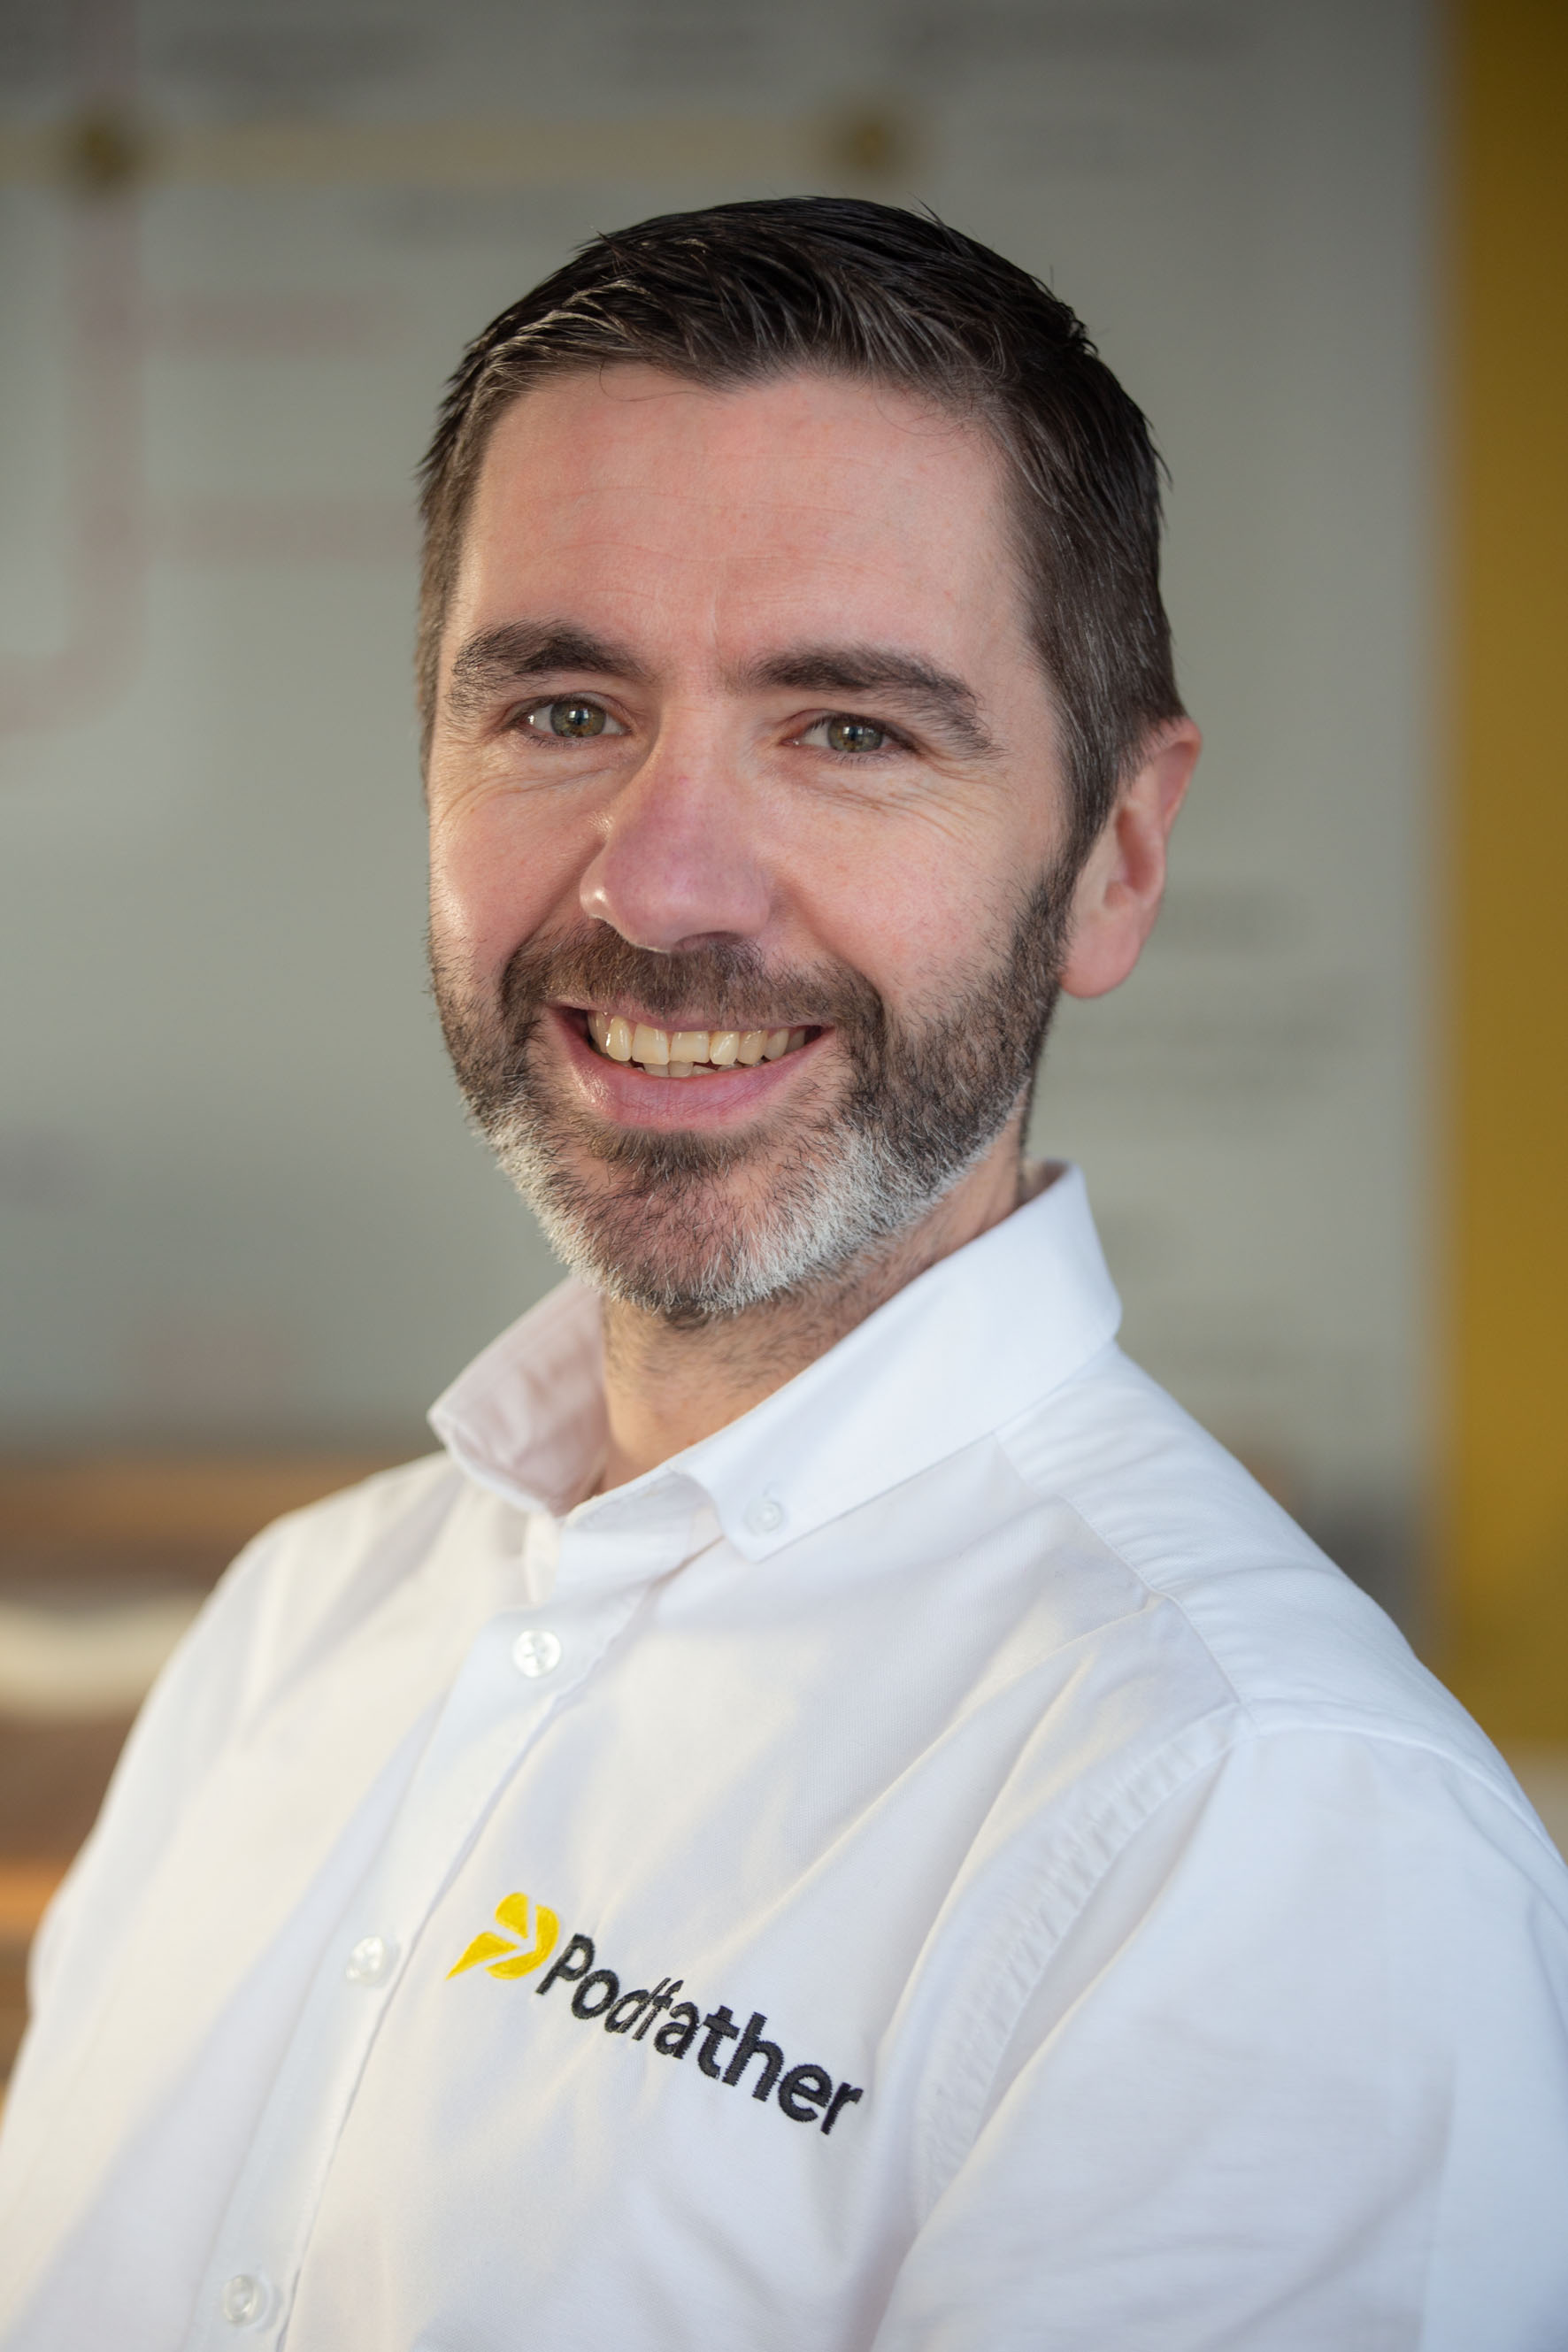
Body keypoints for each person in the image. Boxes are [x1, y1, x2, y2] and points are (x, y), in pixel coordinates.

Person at [1, 197, 1564, 2352]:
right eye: (560, 705)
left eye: (848, 731)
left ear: (1112, 854)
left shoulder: (1268, 1828)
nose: (663, 883)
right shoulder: (301, 1626)